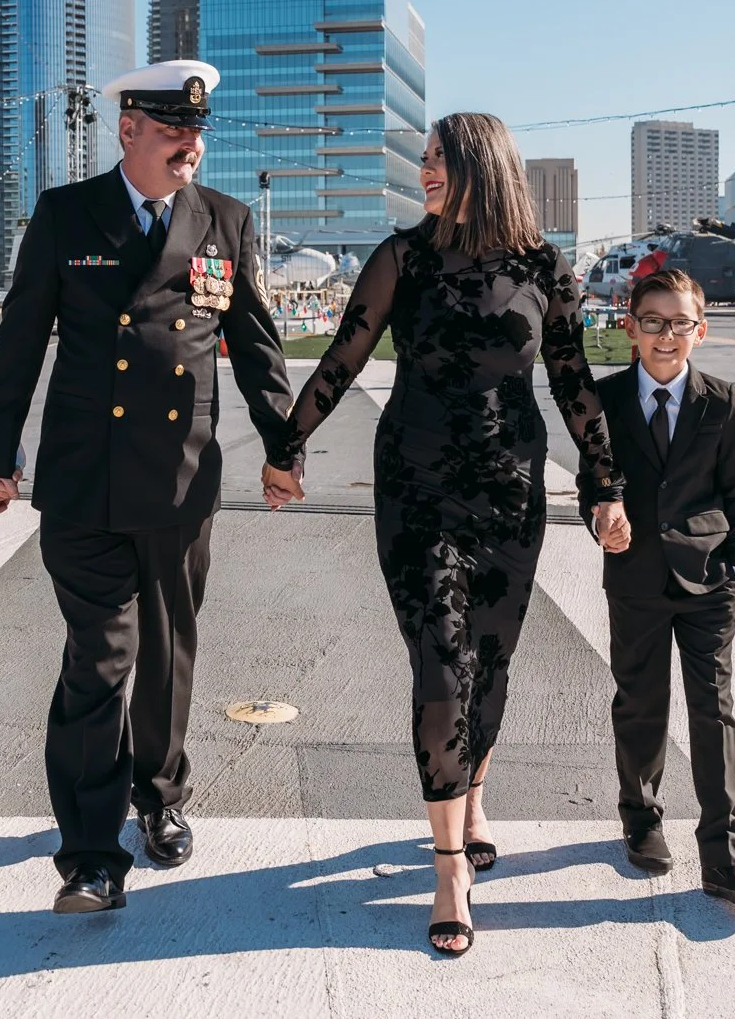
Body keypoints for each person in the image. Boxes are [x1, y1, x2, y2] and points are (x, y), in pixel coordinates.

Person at [265, 112, 628, 957]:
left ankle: (472, 796)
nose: (425, 171)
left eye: (438, 159)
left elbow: (574, 382)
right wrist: (287, 445)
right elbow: (342, 358)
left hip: (510, 496)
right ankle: (448, 868)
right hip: (418, 491)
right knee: (440, 668)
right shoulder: (403, 257)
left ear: (481, 167)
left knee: (489, 670)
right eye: (424, 160)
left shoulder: (544, 268)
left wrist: (605, 486)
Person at [0, 59, 295, 916]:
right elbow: (19, 347)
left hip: (182, 480)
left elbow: (257, 344)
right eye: (172, 129)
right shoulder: (66, 214)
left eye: (197, 130)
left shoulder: (225, 221)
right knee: (101, 658)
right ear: (128, 130)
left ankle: (160, 795)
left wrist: (283, 444)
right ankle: (88, 853)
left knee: (166, 653)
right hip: (84, 480)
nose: (190, 142)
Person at [588, 268, 735, 906]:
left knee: (713, 710)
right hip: (636, 576)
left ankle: (724, 855)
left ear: (702, 330)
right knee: (641, 703)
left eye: (681, 323)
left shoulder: (720, 401)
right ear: (631, 328)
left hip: (709, 580)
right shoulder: (604, 402)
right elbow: (596, 485)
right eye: (654, 322)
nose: (667, 335)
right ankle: (640, 819)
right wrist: (600, 517)